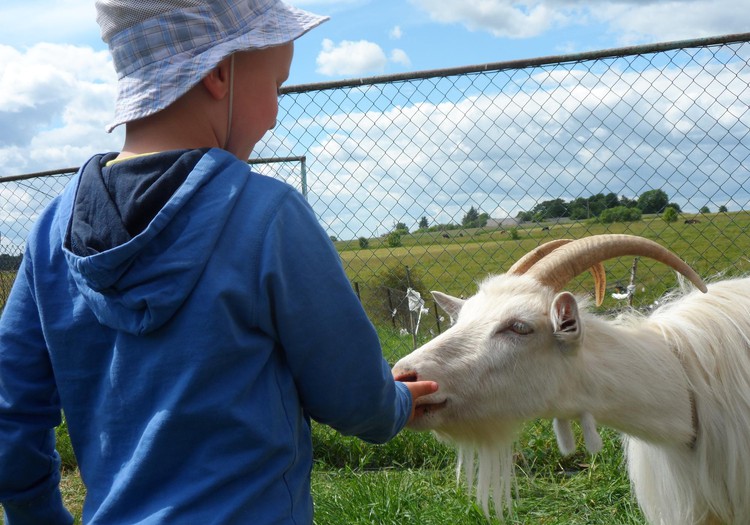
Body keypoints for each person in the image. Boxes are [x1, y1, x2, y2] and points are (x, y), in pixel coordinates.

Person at [0, 1, 438, 523]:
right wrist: (395, 406)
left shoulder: (53, 228)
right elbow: (351, 395)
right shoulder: (268, 216)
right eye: (277, 87)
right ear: (217, 72)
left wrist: (39, 514)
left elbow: (12, 413)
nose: (276, 114)